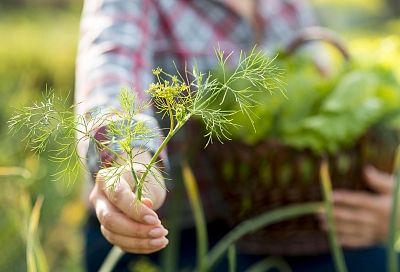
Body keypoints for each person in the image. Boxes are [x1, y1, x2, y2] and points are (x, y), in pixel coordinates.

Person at [75, 0, 396, 271]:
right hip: (167, 235)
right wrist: (130, 163)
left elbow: (324, 86)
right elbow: (110, 80)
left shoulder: (287, 6)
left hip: (285, 225)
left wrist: (385, 204)